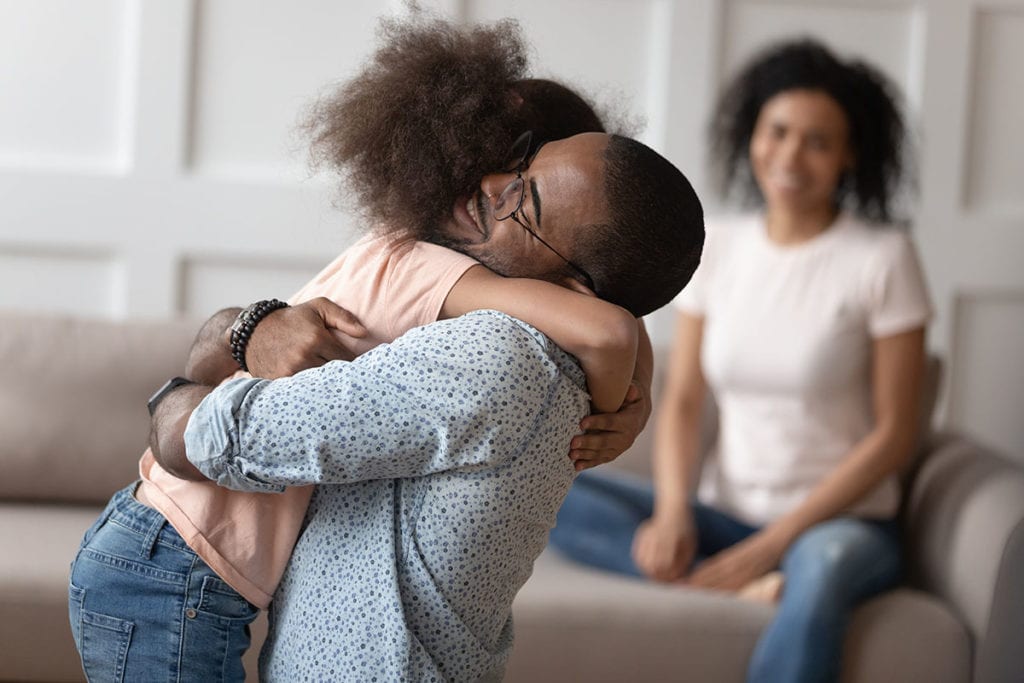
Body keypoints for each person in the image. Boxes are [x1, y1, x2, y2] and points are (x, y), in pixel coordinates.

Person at [67, 13, 705, 683]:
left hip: (190, 556)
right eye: (507, 162)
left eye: (524, 196)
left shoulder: (491, 340)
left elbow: (609, 320)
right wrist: (626, 397)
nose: (489, 188)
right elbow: (612, 328)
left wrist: (632, 390)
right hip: (175, 550)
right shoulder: (430, 271)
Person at [549, 38, 932, 683]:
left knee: (826, 568)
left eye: (818, 141)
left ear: (850, 155)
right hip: (723, 513)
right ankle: (724, 584)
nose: (790, 156)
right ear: (752, 134)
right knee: (556, 492)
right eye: (777, 131)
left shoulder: (884, 258)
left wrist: (772, 547)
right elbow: (686, 399)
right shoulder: (719, 247)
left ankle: (753, 578)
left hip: (836, 527)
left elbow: (896, 434)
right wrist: (672, 511)